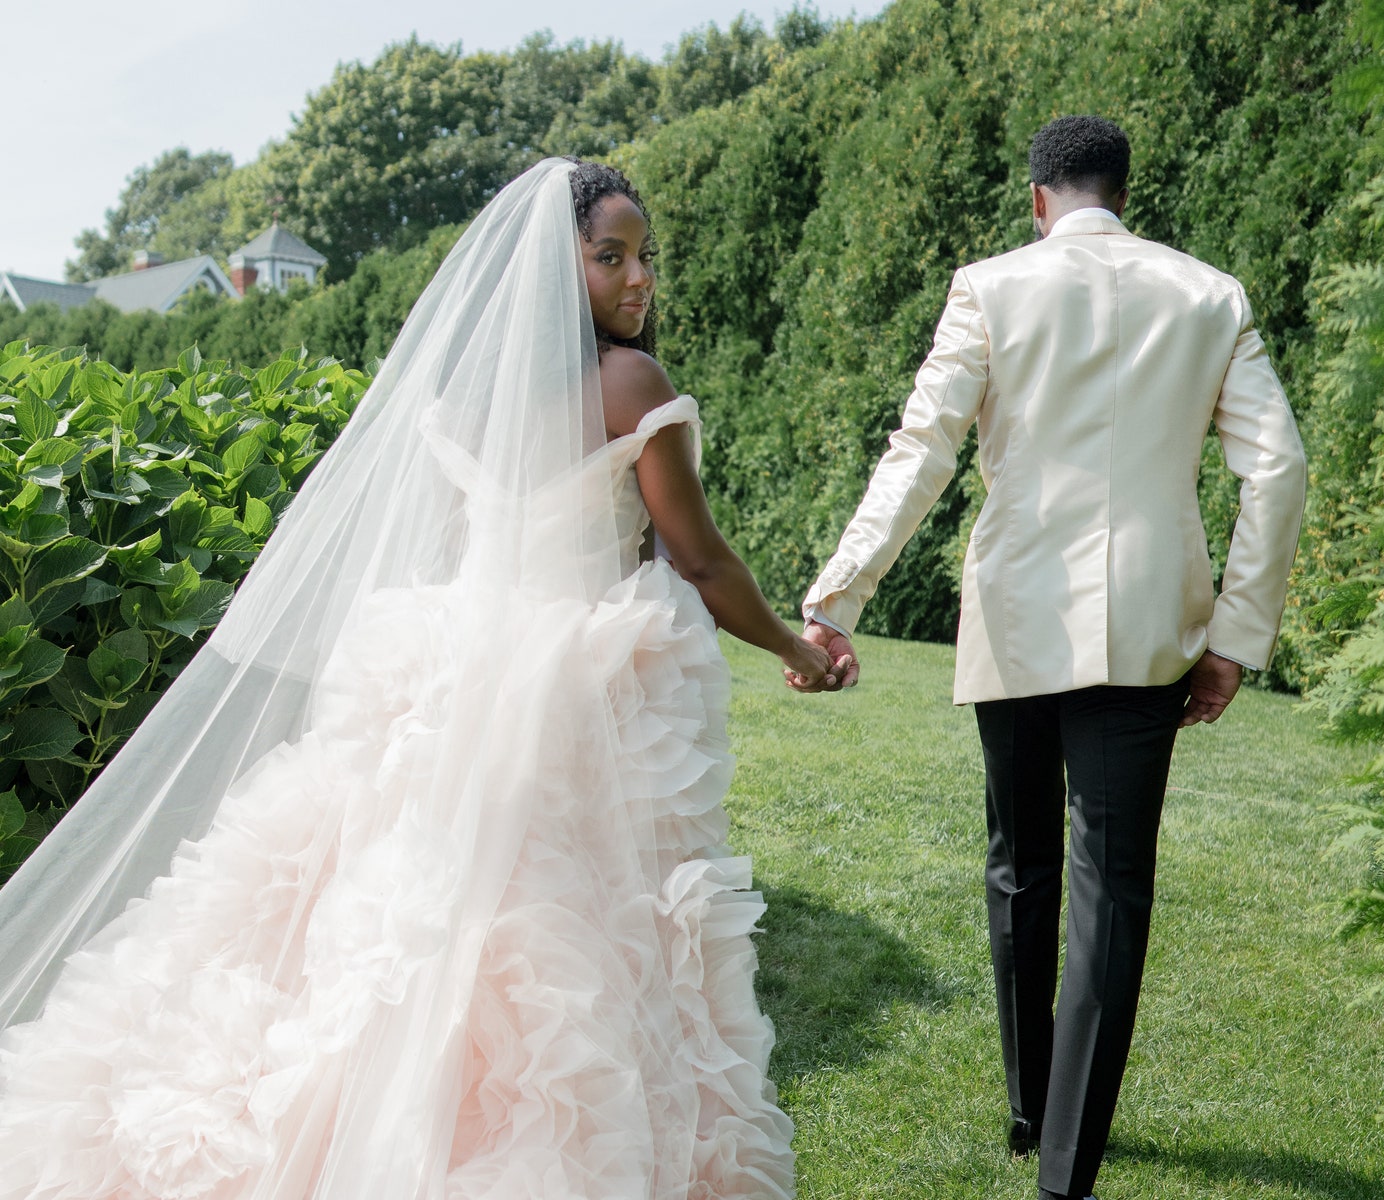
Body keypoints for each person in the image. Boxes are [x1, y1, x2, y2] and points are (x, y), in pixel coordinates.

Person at [0, 158, 830, 1199]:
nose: (637, 280)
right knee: (566, 933)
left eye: (644, 258)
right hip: (579, 684)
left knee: (408, 916)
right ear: (551, 266)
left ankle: (366, 1131)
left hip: (449, 672)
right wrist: (799, 650)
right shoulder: (630, 385)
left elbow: (457, 545)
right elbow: (701, 563)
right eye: (609, 255)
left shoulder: (467, 400)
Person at [793, 115, 1307, 1200]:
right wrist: (1235, 639)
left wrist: (838, 597)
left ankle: (1030, 1111)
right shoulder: (1209, 294)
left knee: (1017, 865)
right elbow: (1279, 471)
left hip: (1017, 614)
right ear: (1126, 192)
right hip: (1149, 629)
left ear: (1037, 199)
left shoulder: (989, 287)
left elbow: (919, 451)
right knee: (1110, 887)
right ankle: (1063, 1167)